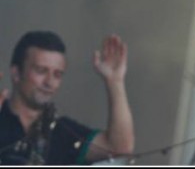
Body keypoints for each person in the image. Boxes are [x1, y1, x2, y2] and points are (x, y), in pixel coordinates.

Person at [0, 31, 135, 165]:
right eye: (41, 71)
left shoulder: (63, 132)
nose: (49, 82)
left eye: (57, 74)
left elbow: (119, 148)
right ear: (16, 73)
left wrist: (114, 81)